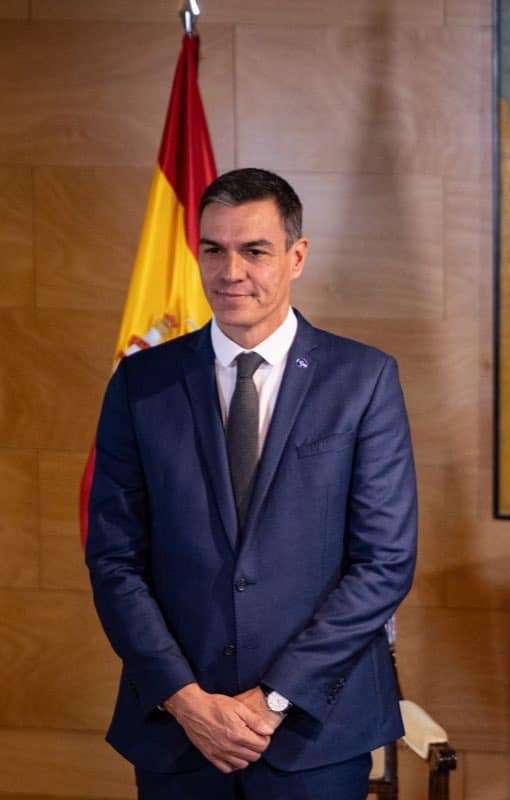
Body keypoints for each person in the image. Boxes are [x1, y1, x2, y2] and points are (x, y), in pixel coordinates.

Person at [85, 168, 418, 799]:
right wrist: (184, 698)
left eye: (254, 251)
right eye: (214, 249)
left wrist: (273, 700)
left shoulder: (363, 379)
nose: (230, 271)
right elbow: (113, 559)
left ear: (297, 256)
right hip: (178, 732)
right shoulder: (141, 384)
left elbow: (384, 563)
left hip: (315, 733)